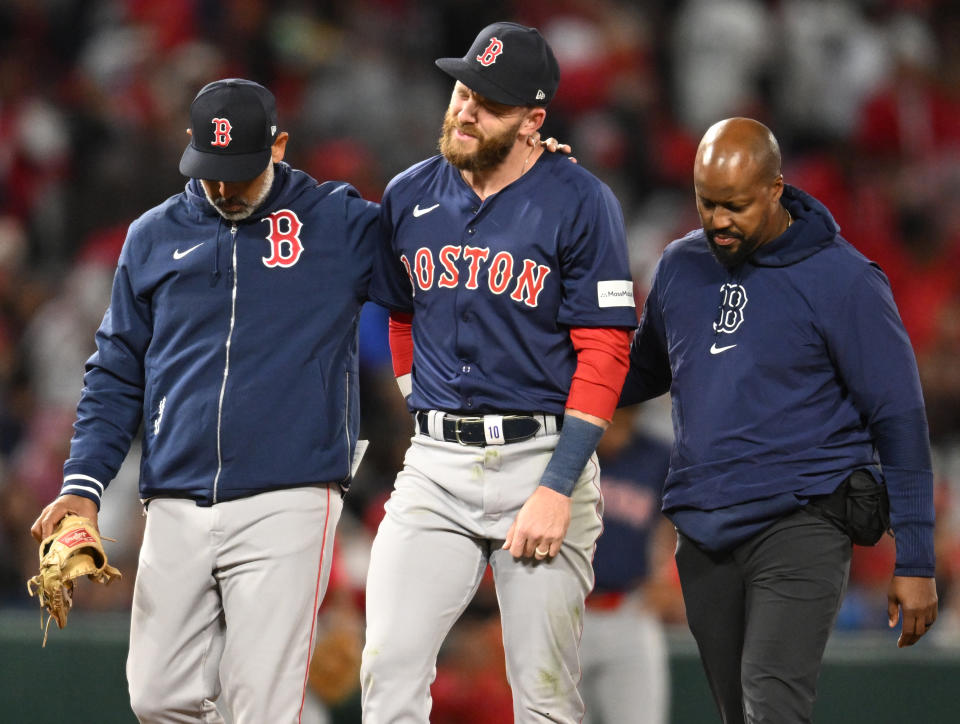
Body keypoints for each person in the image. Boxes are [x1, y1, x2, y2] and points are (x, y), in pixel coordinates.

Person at [30, 78, 381, 723]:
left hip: (291, 495)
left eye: (240, 174)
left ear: (279, 146)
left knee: (262, 708)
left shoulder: (338, 223)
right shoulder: (153, 236)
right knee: (156, 697)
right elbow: (114, 371)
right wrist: (84, 483)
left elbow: (437, 259)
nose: (222, 189)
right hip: (176, 497)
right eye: (209, 171)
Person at [360, 22, 637, 724]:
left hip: (542, 456)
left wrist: (556, 483)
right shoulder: (407, 195)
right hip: (435, 465)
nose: (465, 109)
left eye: (489, 102)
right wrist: (416, 403)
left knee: (543, 694)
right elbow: (398, 316)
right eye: (462, 89)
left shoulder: (581, 203)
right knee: (387, 671)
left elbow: (605, 352)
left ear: (532, 120)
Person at [620, 117, 938, 723]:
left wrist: (916, 558)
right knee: (738, 713)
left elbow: (898, 416)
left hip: (802, 520)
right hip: (704, 529)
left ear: (775, 189)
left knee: (773, 703)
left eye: (734, 205)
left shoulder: (844, 280)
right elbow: (644, 371)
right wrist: (552, 384)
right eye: (706, 202)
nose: (717, 220)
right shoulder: (679, 266)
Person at [579, 405, 675, 724]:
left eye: (627, 414)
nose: (617, 424)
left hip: (629, 611)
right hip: (562, 612)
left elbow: (679, 522)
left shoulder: (657, 456)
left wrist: (669, 576)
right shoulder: (564, 449)